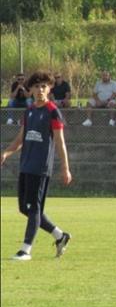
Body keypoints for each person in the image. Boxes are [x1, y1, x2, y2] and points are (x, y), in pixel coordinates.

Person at [0, 70, 73, 261]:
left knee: (34, 208)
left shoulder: (53, 112)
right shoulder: (30, 111)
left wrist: (65, 168)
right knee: (25, 208)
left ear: (49, 89)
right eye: (37, 87)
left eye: (44, 86)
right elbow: (20, 139)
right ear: (30, 90)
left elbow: (60, 142)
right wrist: (6, 152)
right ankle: (60, 236)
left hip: (40, 168)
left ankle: (26, 250)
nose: (40, 90)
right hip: (26, 165)